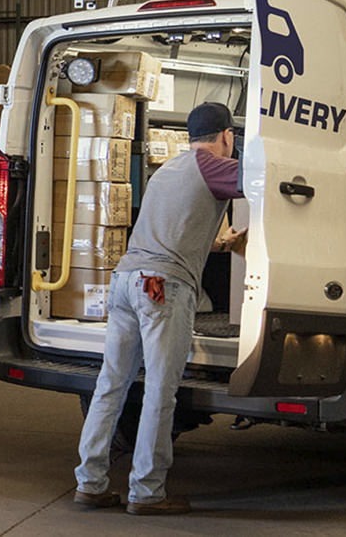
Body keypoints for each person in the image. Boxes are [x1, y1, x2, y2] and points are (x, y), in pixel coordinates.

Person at [73, 101, 246, 516]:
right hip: (162, 288)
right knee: (159, 391)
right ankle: (147, 492)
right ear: (227, 136)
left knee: (110, 385)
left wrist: (225, 243)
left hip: (126, 281)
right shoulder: (214, 166)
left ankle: (90, 483)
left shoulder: (168, 168)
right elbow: (264, 181)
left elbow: (176, 228)